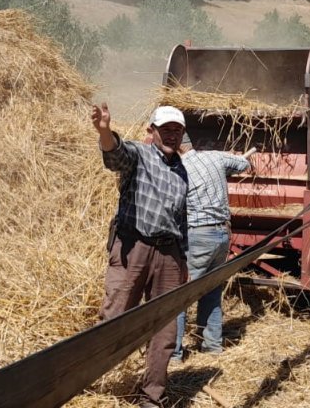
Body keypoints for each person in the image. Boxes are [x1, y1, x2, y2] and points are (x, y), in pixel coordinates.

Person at [92, 102, 189, 408]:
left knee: (165, 329)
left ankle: (152, 395)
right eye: (166, 130)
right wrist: (105, 130)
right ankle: (83, 380)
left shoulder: (181, 171)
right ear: (152, 132)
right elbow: (116, 155)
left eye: (177, 130)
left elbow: (181, 218)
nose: (172, 135)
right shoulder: (140, 154)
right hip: (134, 247)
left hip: (169, 254)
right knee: (114, 317)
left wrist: (182, 258)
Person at [172, 138, 254, 361]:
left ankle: (174, 354)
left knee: (180, 295)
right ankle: (212, 346)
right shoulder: (214, 157)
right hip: (222, 235)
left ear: (177, 146)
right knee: (211, 289)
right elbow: (243, 164)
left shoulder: (179, 168)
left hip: (198, 234)